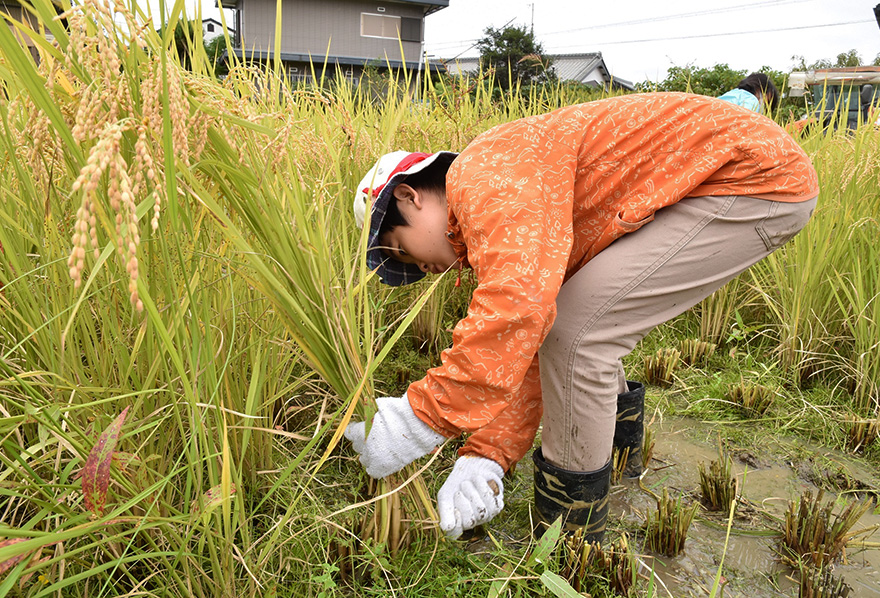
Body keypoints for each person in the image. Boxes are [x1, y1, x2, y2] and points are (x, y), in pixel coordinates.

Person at [344, 92, 818, 543]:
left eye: (399, 251)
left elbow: (522, 308)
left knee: (579, 337)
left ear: (410, 196)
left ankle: (571, 541)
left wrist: (420, 417)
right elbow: (532, 328)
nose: (417, 269)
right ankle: (622, 463)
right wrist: (485, 456)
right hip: (732, 170)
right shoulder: (506, 194)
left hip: (750, 176)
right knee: (578, 317)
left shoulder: (483, 173)